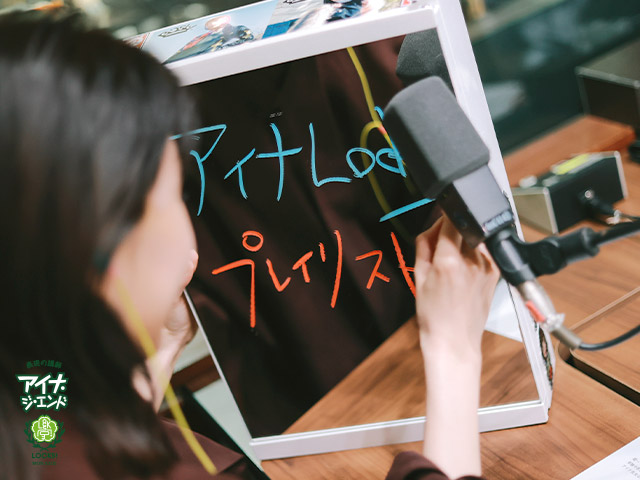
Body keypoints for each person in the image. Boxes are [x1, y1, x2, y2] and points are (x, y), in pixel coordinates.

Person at [0, 10, 499, 480]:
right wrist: (453, 353)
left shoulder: (35, 392)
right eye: (173, 193)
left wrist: (161, 352)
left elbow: (54, 446)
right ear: (106, 243)